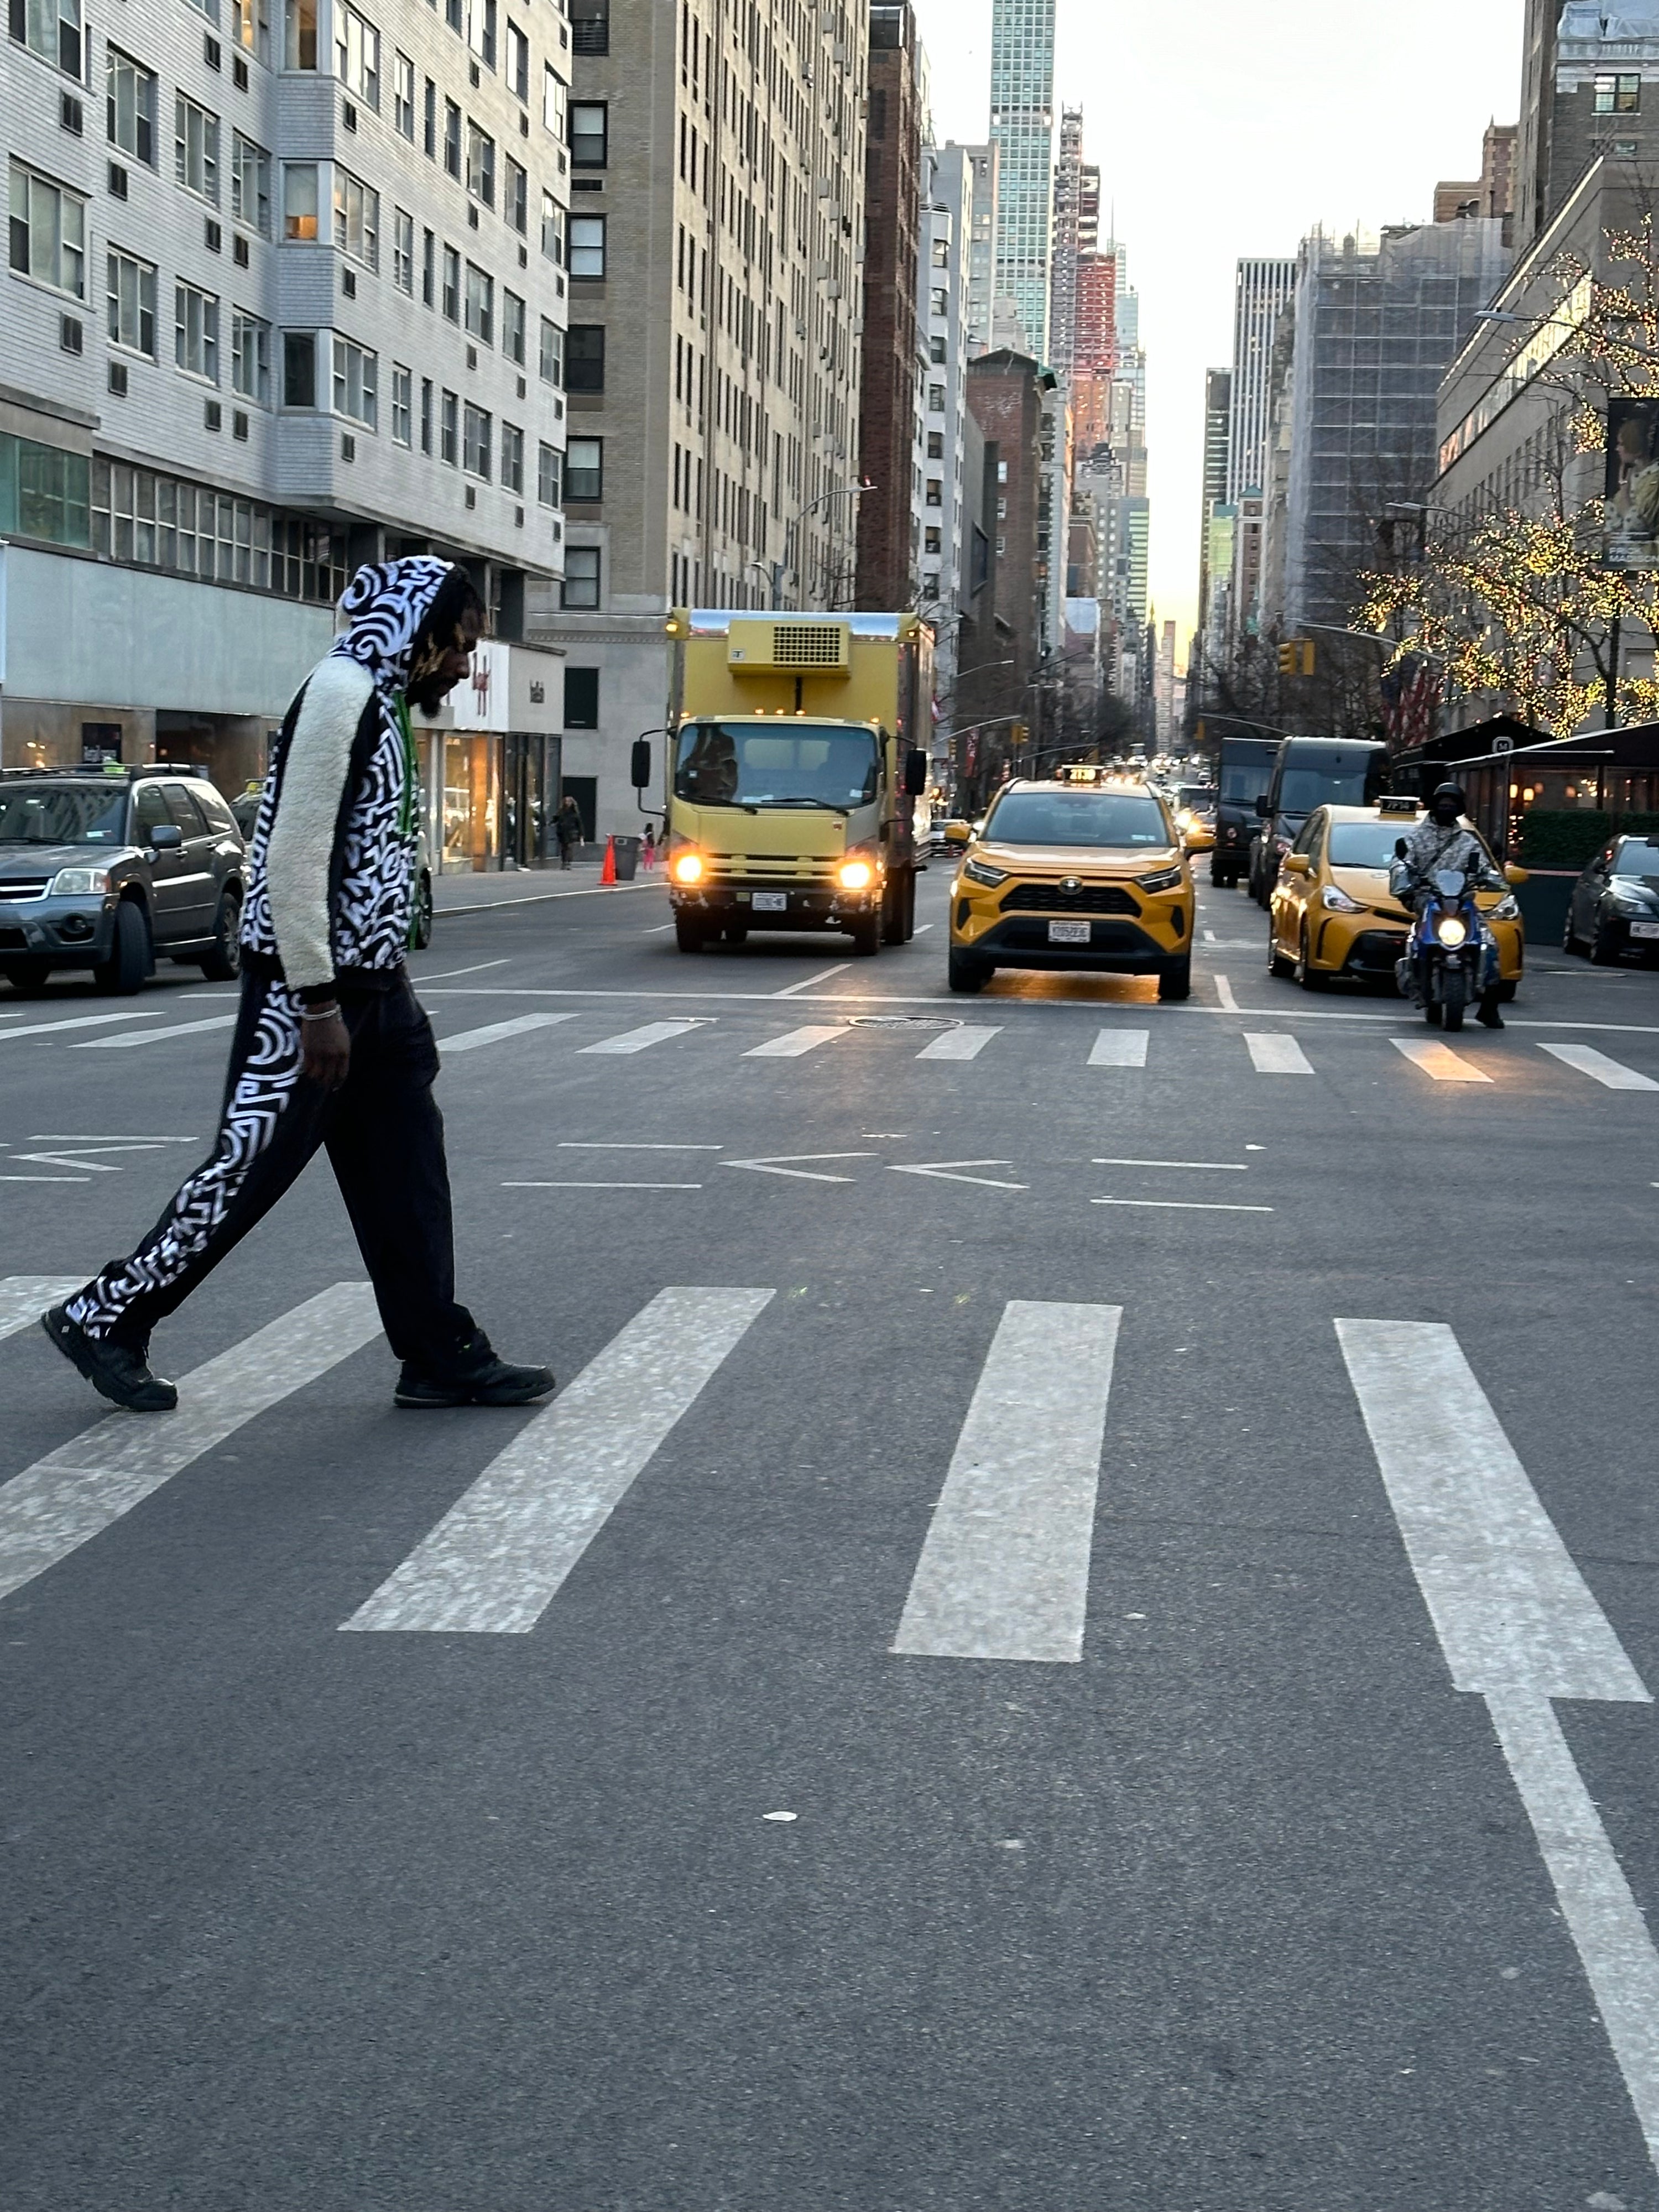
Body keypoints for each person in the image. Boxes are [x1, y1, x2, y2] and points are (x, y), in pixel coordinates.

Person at [42, 556, 556, 1415]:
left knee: (407, 1176)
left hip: (374, 992)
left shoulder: (381, 703)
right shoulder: (341, 694)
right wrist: (318, 1004)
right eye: (460, 645)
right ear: (414, 629)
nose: (466, 665)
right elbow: (291, 856)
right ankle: (106, 1316)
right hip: (307, 997)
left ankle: (438, 1354)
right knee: (246, 1170)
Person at [1391, 781, 1508, 1029]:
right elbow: (1401, 864)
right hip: (1428, 899)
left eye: (1452, 804)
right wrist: (1406, 887)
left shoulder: (1469, 843)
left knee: (1490, 944)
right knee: (1418, 942)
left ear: (1459, 808)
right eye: (1442, 804)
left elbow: (1484, 868)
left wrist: (1492, 880)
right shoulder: (1414, 839)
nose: (1447, 808)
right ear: (1434, 806)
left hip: (1461, 901)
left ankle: (1489, 1008)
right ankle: (1418, 981)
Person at [554, 794, 582, 869]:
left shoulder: (575, 814)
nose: (567, 803)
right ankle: (564, 862)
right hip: (562, 832)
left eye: (569, 802)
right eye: (566, 801)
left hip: (572, 832)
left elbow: (579, 824)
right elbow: (555, 819)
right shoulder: (561, 812)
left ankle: (568, 863)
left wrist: (581, 835)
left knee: (569, 847)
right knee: (564, 848)